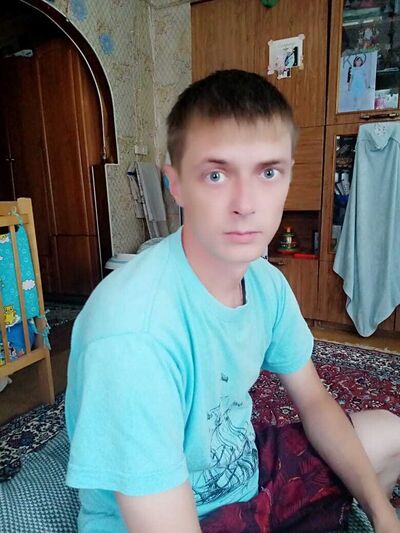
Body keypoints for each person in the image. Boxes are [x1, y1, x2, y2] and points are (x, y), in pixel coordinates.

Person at [65, 69, 400, 532]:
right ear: (176, 184)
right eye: (216, 174)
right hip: (171, 514)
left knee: (389, 436)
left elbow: (313, 400)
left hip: (245, 476)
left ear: (287, 178)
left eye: (267, 172)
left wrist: (384, 515)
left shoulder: (266, 283)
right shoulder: (132, 335)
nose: (246, 203)